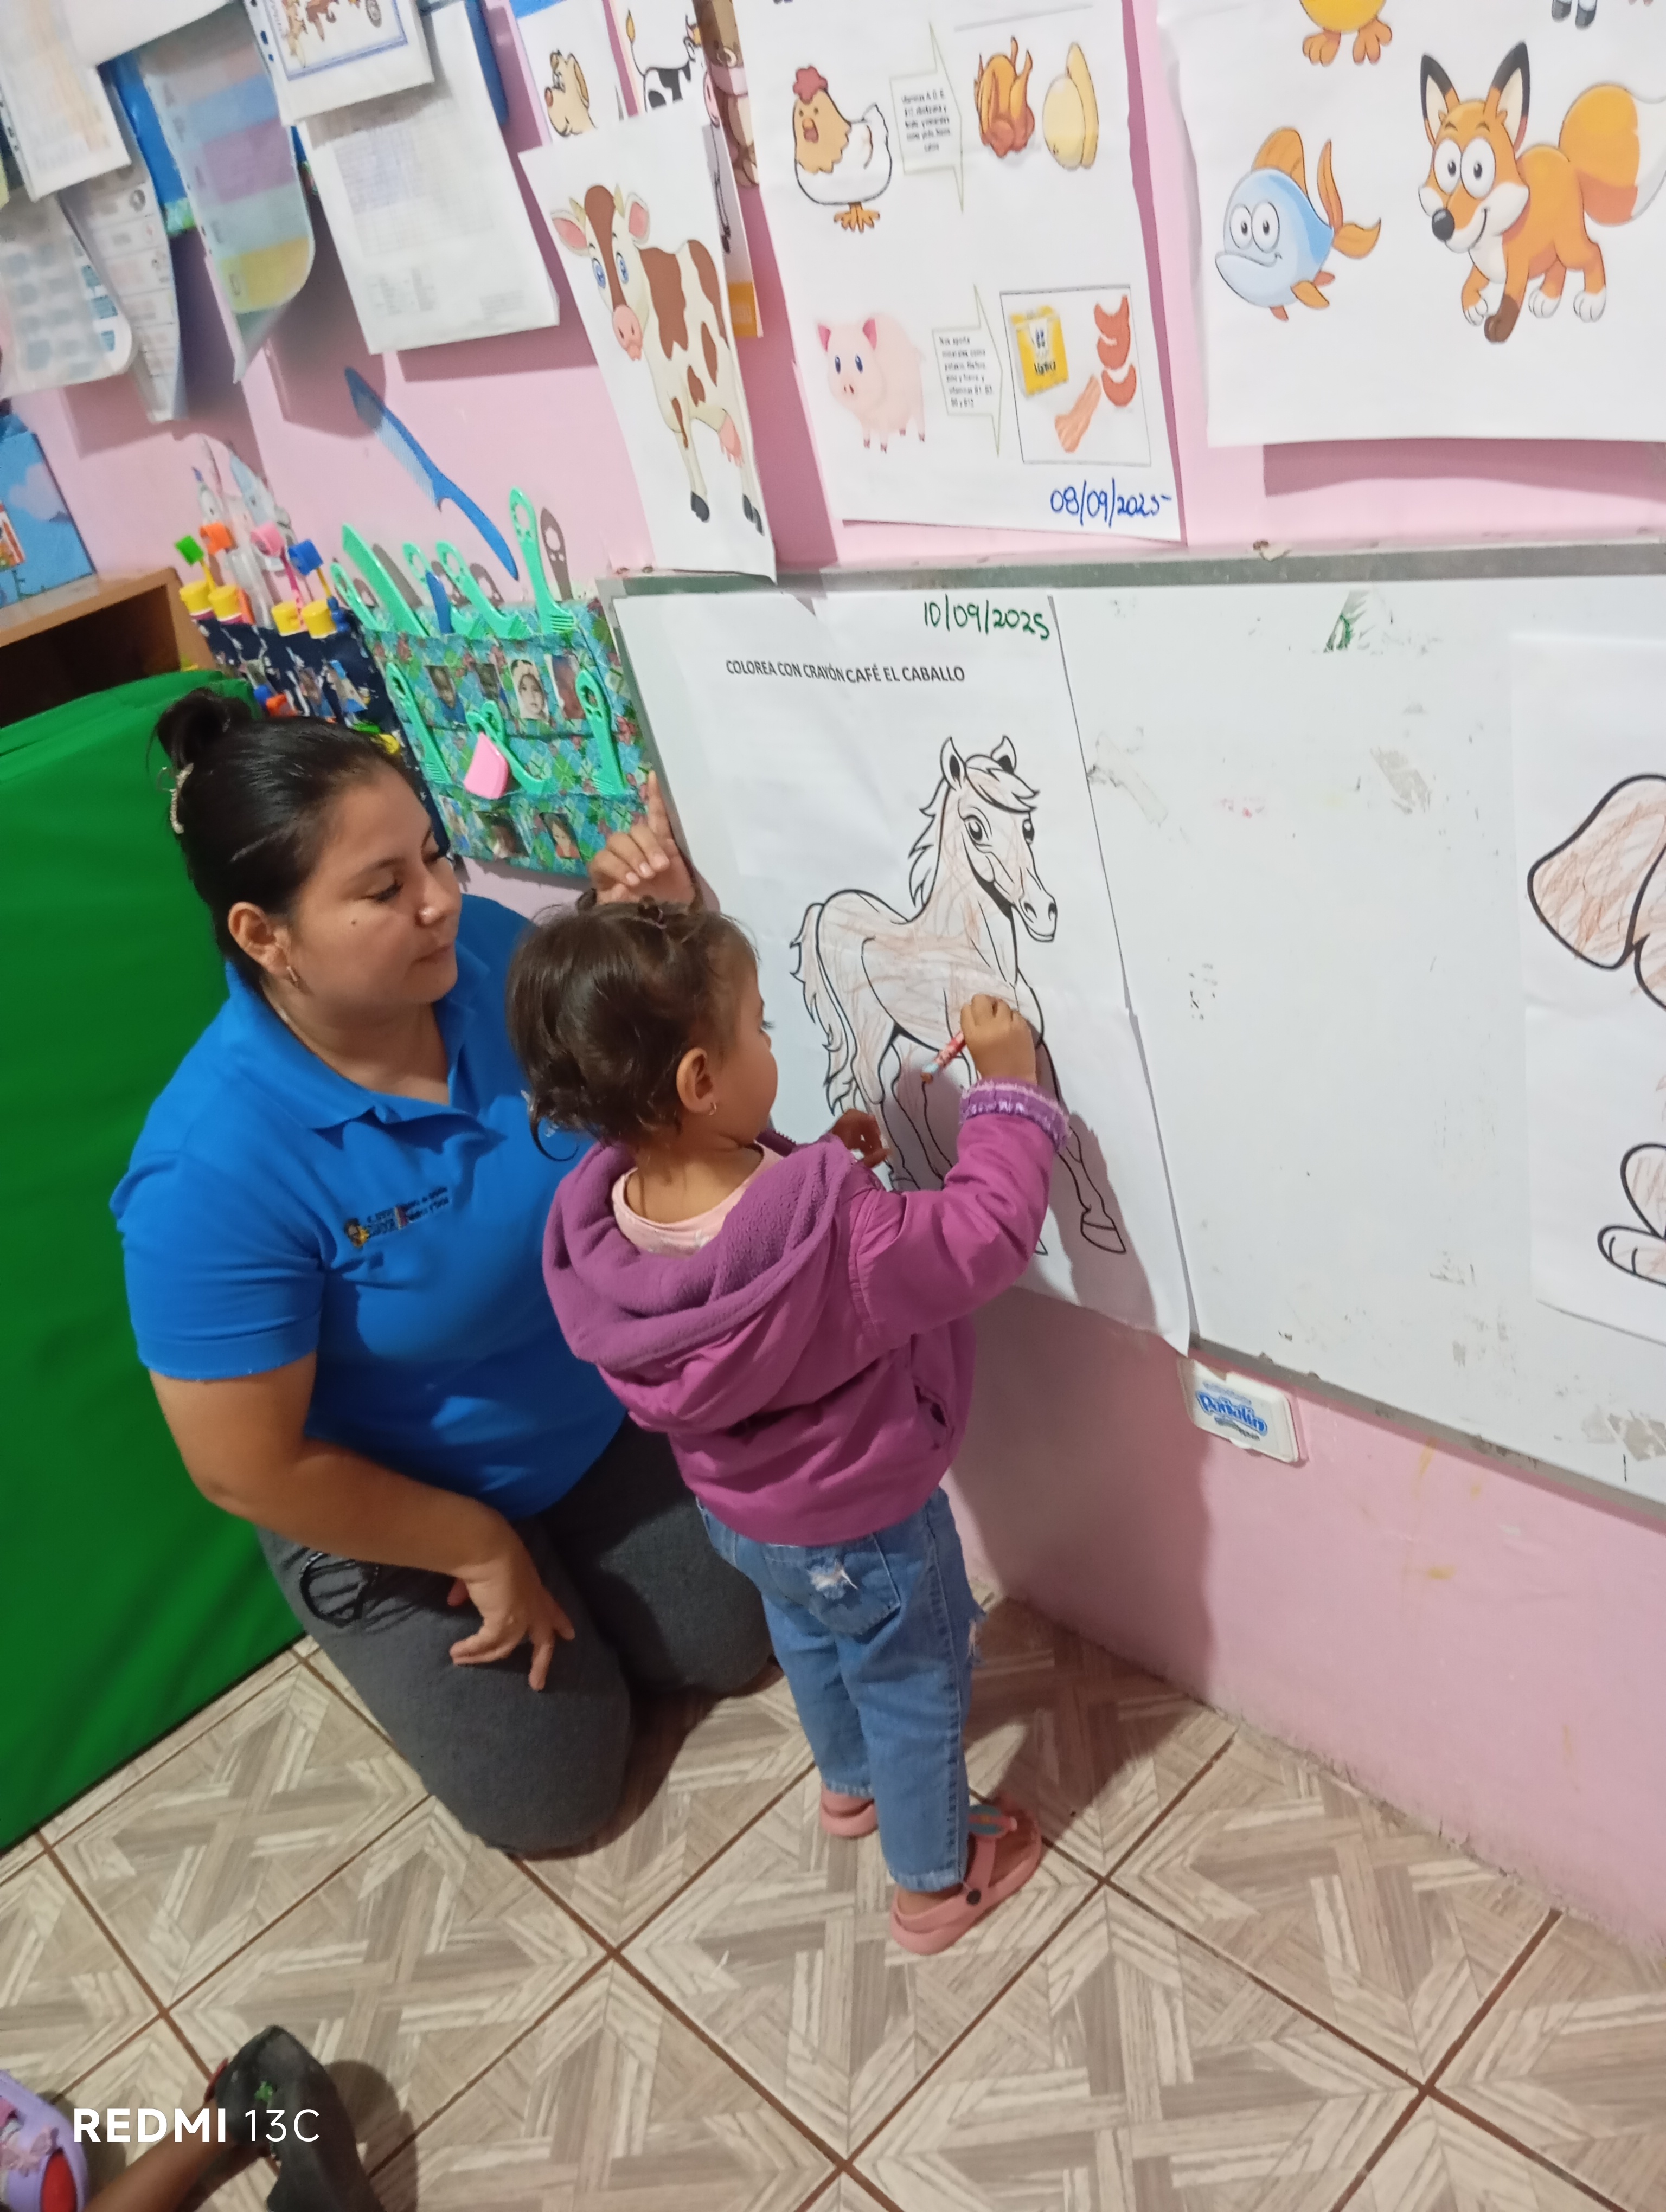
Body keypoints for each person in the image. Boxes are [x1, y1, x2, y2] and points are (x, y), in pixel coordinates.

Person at [112, 693, 768, 1855]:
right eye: (384, 889)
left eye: (433, 854)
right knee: (554, 1800)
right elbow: (242, 1465)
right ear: (265, 936)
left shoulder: (486, 959)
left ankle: (588, 1568)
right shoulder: (209, 1173)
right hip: (387, 1490)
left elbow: (638, 1076)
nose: (440, 900)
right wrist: (474, 1543)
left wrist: (657, 929)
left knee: (740, 1635)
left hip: (576, 1412)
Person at [510, 899, 1065, 1952]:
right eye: (759, 1027)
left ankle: (850, 1784)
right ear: (699, 1082)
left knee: (808, 1634)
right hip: (866, 1519)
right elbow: (982, 1236)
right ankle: (935, 1880)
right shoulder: (840, 1236)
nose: (772, 1040)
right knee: (915, 1680)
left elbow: (734, 1245)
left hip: (742, 1514)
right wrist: (1006, 1092)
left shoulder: (606, 1224)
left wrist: (812, 1166)